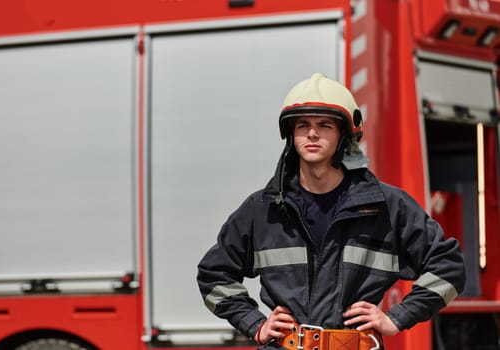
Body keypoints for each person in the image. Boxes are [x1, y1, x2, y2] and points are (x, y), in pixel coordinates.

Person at [197, 73, 466, 349]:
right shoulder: (264, 209)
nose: (312, 133)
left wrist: (396, 318)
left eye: (324, 125)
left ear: (344, 135)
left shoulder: (387, 206)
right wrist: (255, 324)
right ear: (291, 134)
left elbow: (449, 268)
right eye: (303, 125)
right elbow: (213, 274)